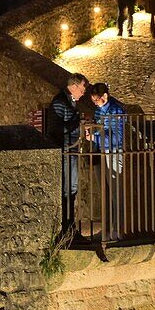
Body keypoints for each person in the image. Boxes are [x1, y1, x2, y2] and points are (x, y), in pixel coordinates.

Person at [49, 73, 89, 233]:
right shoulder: (60, 102)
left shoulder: (69, 101)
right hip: (65, 149)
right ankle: (67, 227)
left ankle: (70, 226)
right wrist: (78, 123)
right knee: (67, 188)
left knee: (72, 187)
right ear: (74, 86)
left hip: (71, 149)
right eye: (83, 87)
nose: (84, 91)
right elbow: (58, 128)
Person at [88, 83, 127, 241]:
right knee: (104, 192)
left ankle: (118, 228)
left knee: (116, 191)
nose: (96, 103)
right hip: (100, 151)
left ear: (105, 96)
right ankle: (107, 227)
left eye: (97, 100)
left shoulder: (116, 110)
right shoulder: (98, 111)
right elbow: (100, 129)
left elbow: (117, 137)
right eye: (94, 101)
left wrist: (95, 137)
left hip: (113, 152)